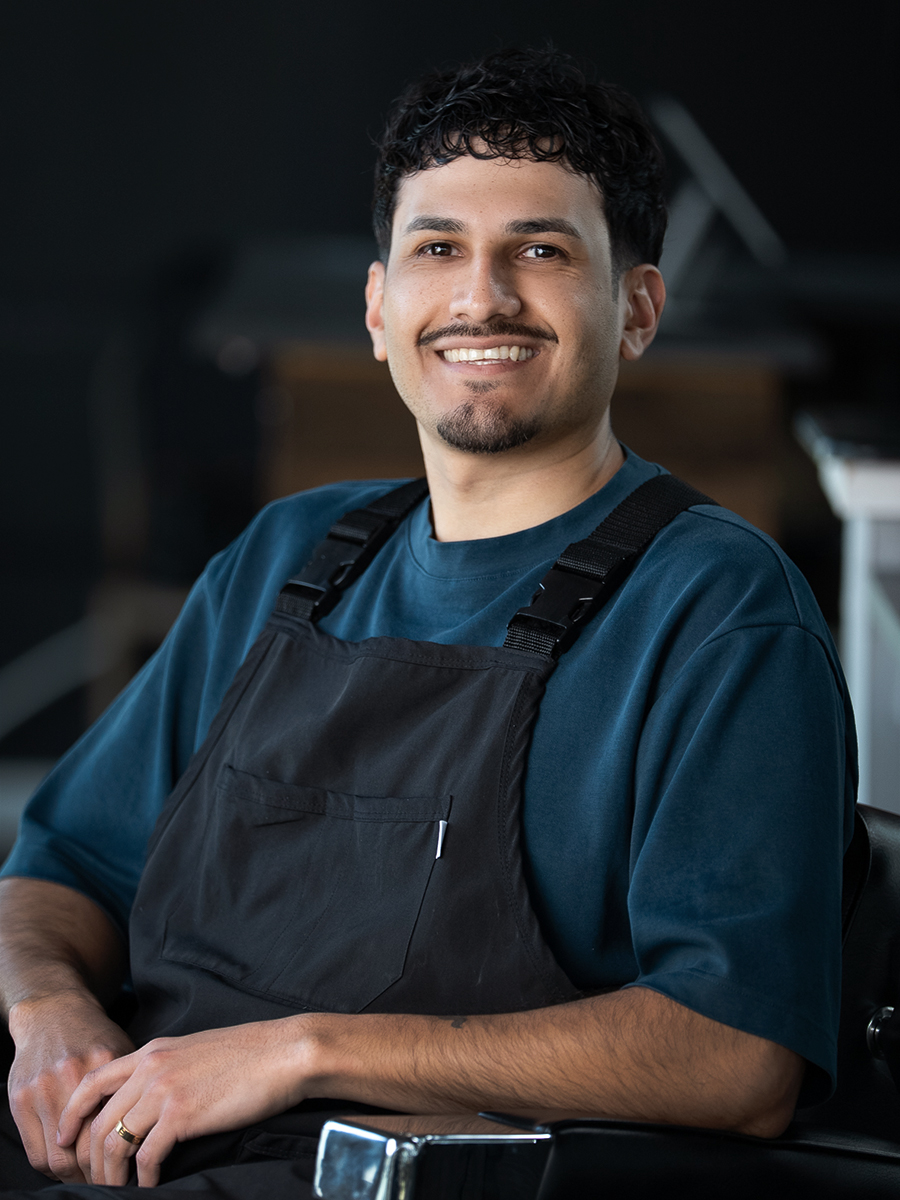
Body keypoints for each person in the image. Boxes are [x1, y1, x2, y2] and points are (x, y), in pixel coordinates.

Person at [0, 47, 855, 1197]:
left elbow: (736, 1057)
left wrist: (302, 1053)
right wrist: (53, 1017)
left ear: (639, 308)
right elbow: (58, 870)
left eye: (540, 252)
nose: (480, 298)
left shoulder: (718, 613)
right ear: (378, 305)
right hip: (128, 1134)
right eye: (438, 249)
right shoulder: (283, 559)